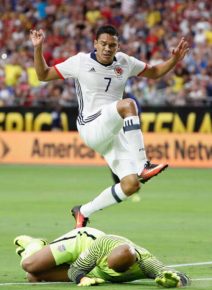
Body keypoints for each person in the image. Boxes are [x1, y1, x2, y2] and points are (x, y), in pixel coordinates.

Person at [30, 25, 189, 228]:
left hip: (112, 133)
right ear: (95, 43)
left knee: (130, 185)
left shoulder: (124, 61)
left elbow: (155, 72)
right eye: (103, 44)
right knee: (128, 104)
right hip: (90, 126)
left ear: (117, 46)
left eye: (112, 45)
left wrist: (174, 59)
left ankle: (83, 211)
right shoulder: (80, 62)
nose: (107, 48)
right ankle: (143, 164)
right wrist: (38, 48)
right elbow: (43, 75)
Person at [14, 227, 190, 288]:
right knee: (29, 265)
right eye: (109, 263)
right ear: (107, 256)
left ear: (130, 266)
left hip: (96, 272)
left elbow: (172, 273)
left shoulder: (145, 261)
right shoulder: (101, 246)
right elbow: (76, 269)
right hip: (82, 243)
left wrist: (176, 281)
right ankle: (35, 244)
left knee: (34, 278)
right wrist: (81, 278)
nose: (110, 266)